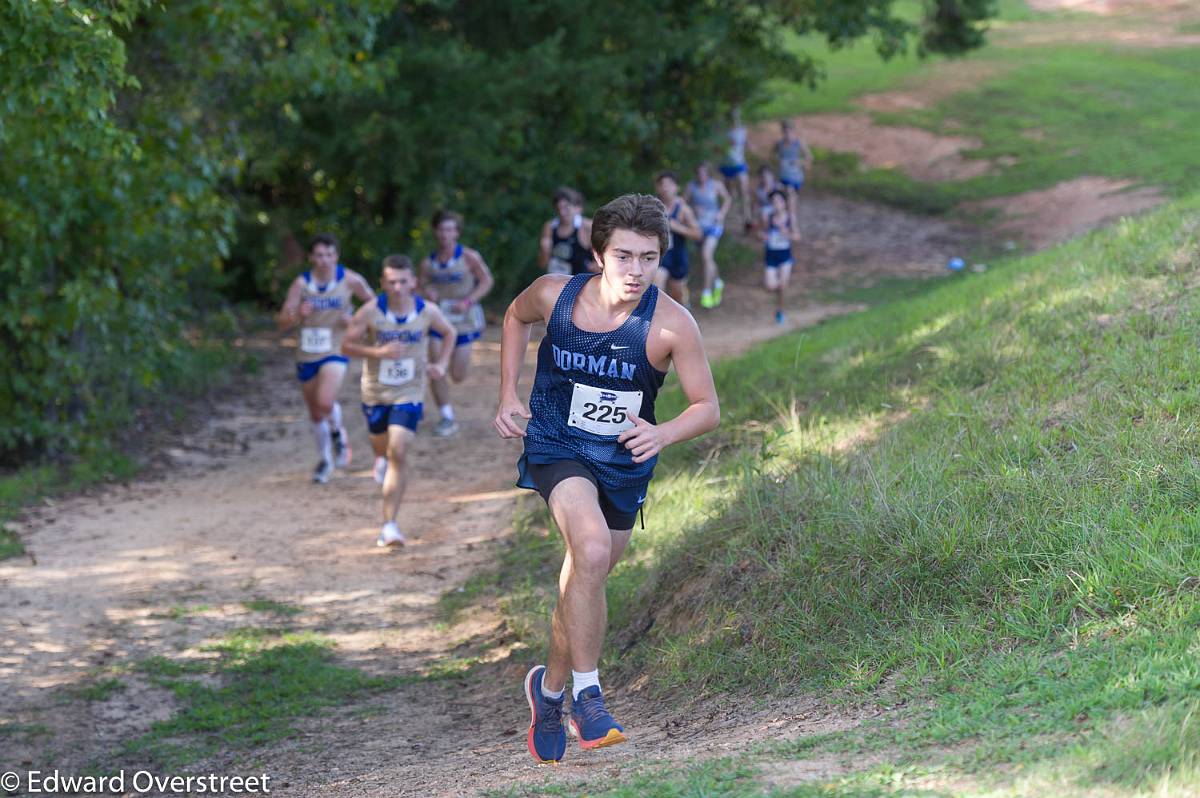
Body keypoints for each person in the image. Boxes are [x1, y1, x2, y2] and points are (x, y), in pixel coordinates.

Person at [493, 193, 720, 763]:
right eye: (624, 256)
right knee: (590, 549)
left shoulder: (671, 324)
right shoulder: (553, 294)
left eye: (648, 257)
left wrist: (663, 433)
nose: (636, 270)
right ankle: (588, 700)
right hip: (555, 445)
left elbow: (707, 407)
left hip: (621, 463)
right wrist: (506, 392)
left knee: (586, 574)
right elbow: (514, 318)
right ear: (599, 255)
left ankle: (546, 691)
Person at [342, 255, 455, 547]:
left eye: (403, 281)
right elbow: (346, 345)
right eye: (391, 281)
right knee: (382, 447)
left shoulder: (427, 311)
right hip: (376, 393)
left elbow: (450, 332)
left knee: (399, 450)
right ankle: (379, 458)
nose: (398, 287)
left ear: (413, 282)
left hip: (410, 391)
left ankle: (389, 525)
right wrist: (378, 353)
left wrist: (441, 364)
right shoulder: (369, 312)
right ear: (382, 283)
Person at [276, 233, 375, 484]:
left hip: (335, 348)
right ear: (310, 257)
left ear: (336, 256)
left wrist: (353, 323)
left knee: (325, 400)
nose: (324, 260)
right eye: (319, 255)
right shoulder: (301, 284)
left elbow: (376, 308)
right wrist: (297, 314)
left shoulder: (351, 280)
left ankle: (339, 437)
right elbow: (282, 322)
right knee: (315, 412)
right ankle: (325, 459)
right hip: (307, 351)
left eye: (329, 255)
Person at [420, 210, 495, 437]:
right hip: (439, 319)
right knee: (436, 366)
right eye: (442, 229)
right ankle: (446, 416)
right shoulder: (427, 263)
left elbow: (486, 280)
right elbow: (418, 285)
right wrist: (427, 291)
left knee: (458, 374)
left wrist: (469, 300)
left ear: (457, 232)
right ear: (435, 232)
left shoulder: (469, 257)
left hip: (464, 319)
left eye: (450, 229)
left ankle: (446, 409)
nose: (445, 234)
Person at [686, 163, 732, 310]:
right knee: (707, 259)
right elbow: (683, 204)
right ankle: (718, 282)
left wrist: (722, 213)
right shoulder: (691, 187)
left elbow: (728, 199)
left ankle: (706, 292)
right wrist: (693, 210)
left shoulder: (716, 185)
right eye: (699, 173)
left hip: (714, 226)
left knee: (706, 256)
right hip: (699, 228)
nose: (701, 176)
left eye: (704, 173)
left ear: (708, 173)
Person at [653, 170, 702, 307]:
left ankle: (682, 318)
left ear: (676, 187)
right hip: (661, 255)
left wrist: (677, 227)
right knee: (657, 290)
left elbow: (698, 234)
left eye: (670, 184)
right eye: (662, 184)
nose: (666, 187)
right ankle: (657, 324)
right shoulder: (652, 208)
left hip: (678, 256)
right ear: (658, 188)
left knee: (678, 297)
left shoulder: (683, 210)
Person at [759, 189, 800, 325]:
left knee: (782, 285)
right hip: (770, 254)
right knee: (770, 286)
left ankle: (780, 311)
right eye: (773, 201)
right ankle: (780, 296)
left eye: (778, 201)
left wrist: (787, 234)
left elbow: (797, 236)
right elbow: (763, 233)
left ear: (783, 203)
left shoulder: (790, 218)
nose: (776, 204)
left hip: (785, 255)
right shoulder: (768, 217)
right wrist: (763, 236)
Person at [540, 187, 595, 276]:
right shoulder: (550, 227)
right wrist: (544, 251)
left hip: (580, 283)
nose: (562, 213)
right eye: (559, 209)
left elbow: (600, 262)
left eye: (566, 207)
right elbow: (542, 264)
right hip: (555, 282)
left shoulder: (588, 227)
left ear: (576, 207)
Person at [718, 107, 752, 227]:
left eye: (736, 117)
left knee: (744, 189)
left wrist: (748, 146)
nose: (735, 120)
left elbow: (747, 144)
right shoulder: (722, 131)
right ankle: (729, 218)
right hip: (725, 165)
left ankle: (747, 218)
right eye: (732, 118)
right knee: (729, 193)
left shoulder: (743, 131)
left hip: (739, 164)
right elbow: (717, 148)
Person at [776, 120, 813, 198]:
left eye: (789, 131)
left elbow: (809, 157)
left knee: (790, 193)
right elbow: (772, 156)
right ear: (782, 132)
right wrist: (778, 160)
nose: (787, 134)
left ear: (793, 131)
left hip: (795, 176)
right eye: (785, 132)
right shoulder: (779, 143)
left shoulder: (799, 143)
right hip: (783, 175)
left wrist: (799, 162)